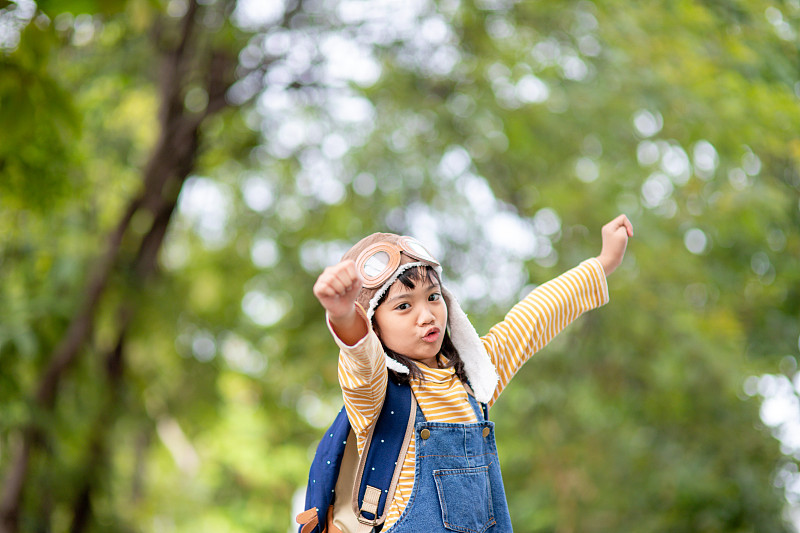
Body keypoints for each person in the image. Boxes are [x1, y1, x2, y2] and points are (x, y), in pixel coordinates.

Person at [312, 214, 633, 532]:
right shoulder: (377, 393)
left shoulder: (474, 373)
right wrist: (343, 315)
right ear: (374, 323)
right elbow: (361, 357)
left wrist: (604, 262)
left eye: (433, 297)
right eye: (403, 306)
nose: (427, 315)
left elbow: (535, 316)